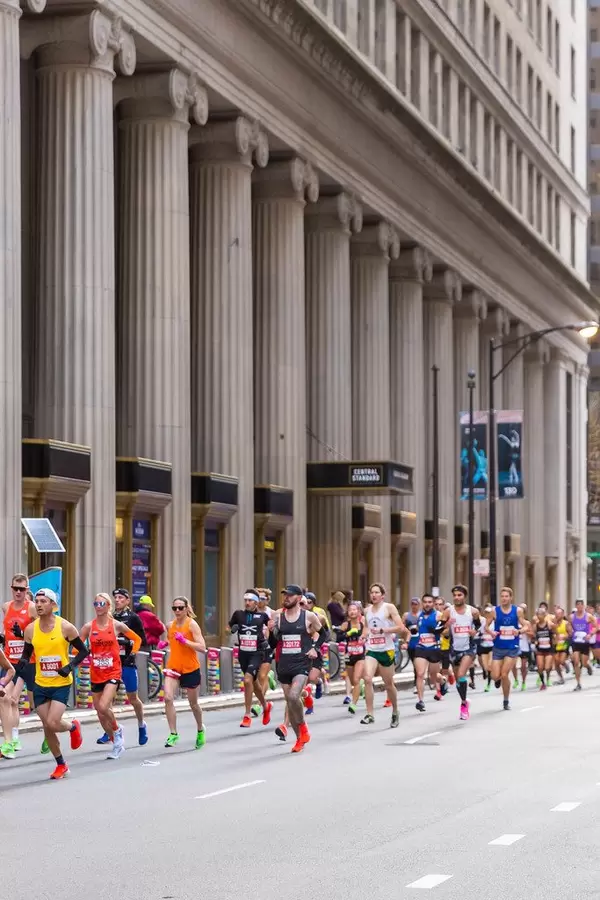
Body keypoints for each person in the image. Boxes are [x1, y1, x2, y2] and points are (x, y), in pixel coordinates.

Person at [16, 589, 88, 779]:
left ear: (53, 605)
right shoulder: (31, 629)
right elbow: (27, 652)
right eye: (37, 601)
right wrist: (22, 662)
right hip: (40, 682)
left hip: (61, 683)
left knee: (53, 722)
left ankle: (73, 727)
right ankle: (61, 764)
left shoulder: (65, 627)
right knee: (47, 726)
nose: (38, 605)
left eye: (43, 601)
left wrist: (69, 666)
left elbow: (83, 651)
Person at [80, 593, 142, 759]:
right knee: (100, 713)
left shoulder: (116, 625)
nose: (98, 606)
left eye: (102, 603)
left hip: (113, 671)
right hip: (96, 673)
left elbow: (137, 639)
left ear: (108, 606)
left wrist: (132, 653)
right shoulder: (88, 627)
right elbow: (76, 647)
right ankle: (116, 740)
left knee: (103, 706)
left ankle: (117, 731)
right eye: (96, 603)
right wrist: (84, 650)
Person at [272, 584, 325, 753]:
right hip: (284, 664)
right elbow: (273, 642)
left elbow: (324, 634)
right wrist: (272, 631)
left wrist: (314, 648)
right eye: (284, 595)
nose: (286, 598)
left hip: (301, 663)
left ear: (298, 598)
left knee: (295, 696)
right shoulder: (278, 617)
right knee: (290, 701)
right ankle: (298, 739)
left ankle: (303, 727)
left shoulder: (308, 616)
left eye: (289, 595)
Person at [359, 583, 408, 728]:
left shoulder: (389, 608)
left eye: (376, 592)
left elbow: (400, 627)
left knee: (388, 684)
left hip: (386, 650)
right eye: (371, 592)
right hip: (372, 649)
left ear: (382, 595)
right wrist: (363, 636)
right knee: (367, 678)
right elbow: (367, 627)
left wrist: (383, 630)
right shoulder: (367, 610)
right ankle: (370, 714)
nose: (373, 595)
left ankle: (395, 711)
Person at [104, 587, 148, 746]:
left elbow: (141, 639)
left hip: (127, 662)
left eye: (121, 598)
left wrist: (131, 648)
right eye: (115, 598)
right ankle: (109, 729)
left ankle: (141, 724)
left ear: (128, 601)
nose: (117, 600)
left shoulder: (133, 618)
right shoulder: (109, 617)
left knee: (132, 698)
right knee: (108, 699)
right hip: (111, 662)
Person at [163, 597, 206, 748]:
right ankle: (173, 733)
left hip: (190, 668)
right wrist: (165, 643)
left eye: (180, 608)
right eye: (174, 608)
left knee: (193, 704)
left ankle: (200, 729)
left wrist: (185, 641)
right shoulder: (170, 625)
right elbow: (171, 641)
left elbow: (202, 647)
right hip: (174, 667)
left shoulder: (192, 625)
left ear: (187, 608)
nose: (177, 611)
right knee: (168, 698)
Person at [2, 574, 37, 753]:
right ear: (11, 588)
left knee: (37, 705)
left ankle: (52, 731)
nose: (18, 592)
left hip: (29, 661)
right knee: (6, 698)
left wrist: (22, 633)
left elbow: (39, 634)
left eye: (21, 589)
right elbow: (7, 632)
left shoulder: (32, 608)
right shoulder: (6, 607)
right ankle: (10, 740)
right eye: (15, 588)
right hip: (10, 662)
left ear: (27, 590)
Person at [228, 590, 272, 728]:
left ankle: (247, 715)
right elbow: (228, 627)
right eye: (245, 600)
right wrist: (231, 629)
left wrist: (268, 640)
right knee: (254, 682)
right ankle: (265, 706)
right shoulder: (238, 614)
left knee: (247, 680)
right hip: (243, 652)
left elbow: (272, 627)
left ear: (256, 602)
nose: (247, 603)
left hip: (257, 652)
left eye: (250, 600)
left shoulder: (262, 615)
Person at [486, 586, 526, 710]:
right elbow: (486, 626)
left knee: (504, 674)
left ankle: (506, 700)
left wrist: (518, 631)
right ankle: (496, 679)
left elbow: (526, 626)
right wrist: (491, 632)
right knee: (494, 676)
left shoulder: (517, 611)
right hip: (498, 647)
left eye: (506, 596)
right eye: (502, 596)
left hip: (512, 647)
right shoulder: (494, 611)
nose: (504, 598)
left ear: (511, 597)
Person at [445, 585, 481, 720]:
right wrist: (447, 625)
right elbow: (440, 631)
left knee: (460, 674)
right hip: (454, 649)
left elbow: (478, 625)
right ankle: (464, 701)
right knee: (458, 681)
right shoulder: (448, 612)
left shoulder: (473, 611)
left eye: (459, 595)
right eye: (454, 595)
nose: (456, 598)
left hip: (469, 648)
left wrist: (475, 631)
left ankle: (463, 707)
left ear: (464, 596)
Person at [414, 592, 445, 712]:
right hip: (421, 647)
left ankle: (442, 681)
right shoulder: (419, 615)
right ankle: (420, 701)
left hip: (434, 648)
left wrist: (440, 630)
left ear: (433, 604)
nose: (427, 604)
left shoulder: (438, 615)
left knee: (433, 676)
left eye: (429, 602)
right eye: (425, 602)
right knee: (420, 674)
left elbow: (446, 630)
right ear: (422, 603)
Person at [338, 600, 366, 714]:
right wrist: (347, 634)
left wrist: (362, 637)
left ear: (359, 611)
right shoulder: (346, 625)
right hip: (349, 655)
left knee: (356, 679)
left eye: (354, 610)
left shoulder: (363, 623)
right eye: (350, 610)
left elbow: (367, 634)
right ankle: (360, 687)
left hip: (360, 655)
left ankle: (353, 704)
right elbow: (338, 638)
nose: (352, 612)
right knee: (352, 681)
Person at [570, 598, 596, 691]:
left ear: (583, 606)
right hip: (576, 641)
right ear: (576, 606)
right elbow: (568, 626)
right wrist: (570, 631)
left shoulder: (588, 616)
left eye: (581, 605)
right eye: (578, 605)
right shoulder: (572, 617)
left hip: (585, 642)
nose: (580, 607)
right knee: (576, 662)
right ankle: (578, 683)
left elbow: (596, 626)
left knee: (584, 662)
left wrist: (591, 634)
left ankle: (588, 667)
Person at [532, 604, 554, 691]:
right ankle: (543, 683)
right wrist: (535, 640)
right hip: (540, 649)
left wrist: (554, 639)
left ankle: (548, 677)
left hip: (548, 649)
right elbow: (533, 635)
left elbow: (555, 632)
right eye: (538, 614)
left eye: (541, 614)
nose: (539, 616)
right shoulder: (536, 626)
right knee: (540, 667)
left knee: (547, 667)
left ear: (545, 615)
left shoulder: (549, 624)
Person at [403, 598, 421, 691]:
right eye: (412, 604)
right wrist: (404, 641)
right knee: (414, 663)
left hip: (420, 640)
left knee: (418, 663)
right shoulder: (406, 615)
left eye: (416, 604)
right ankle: (418, 680)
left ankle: (417, 683)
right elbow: (402, 628)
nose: (414, 606)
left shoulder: (421, 615)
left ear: (419, 605)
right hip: (410, 641)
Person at [553, 606, 571, 685]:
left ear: (563, 614)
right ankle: (561, 678)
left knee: (561, 660)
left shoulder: (566, 623)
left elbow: (570, 633)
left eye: (559, 613)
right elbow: (551, 632)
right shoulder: (554, 624)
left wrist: (564, 636)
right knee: (556, 662)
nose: (558, 615)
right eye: (556, 613)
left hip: (564, 643)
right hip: (556, 644)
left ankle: (565, 664)